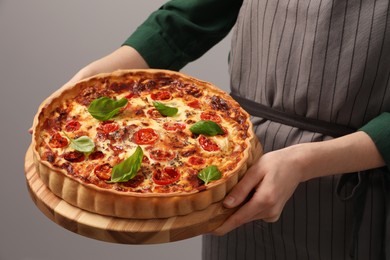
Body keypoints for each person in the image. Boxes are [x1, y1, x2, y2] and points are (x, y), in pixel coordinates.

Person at [63, 0, 390, 259]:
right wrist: (100, 73)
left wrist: (304, 162)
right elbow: (192, 16)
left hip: (354, 180)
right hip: (236, 167)